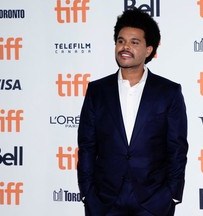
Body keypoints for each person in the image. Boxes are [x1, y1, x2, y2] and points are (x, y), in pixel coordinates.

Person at [77, 8, 189, 216]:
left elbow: (176, 148)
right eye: (120, 41)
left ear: (149, 50)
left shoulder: (169, 92)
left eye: (134, 42)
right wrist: (87, 194)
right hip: (104, 201)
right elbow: (87, 146)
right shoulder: (97, 91)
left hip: (153, 201)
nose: (125, 47)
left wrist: (172, 195)